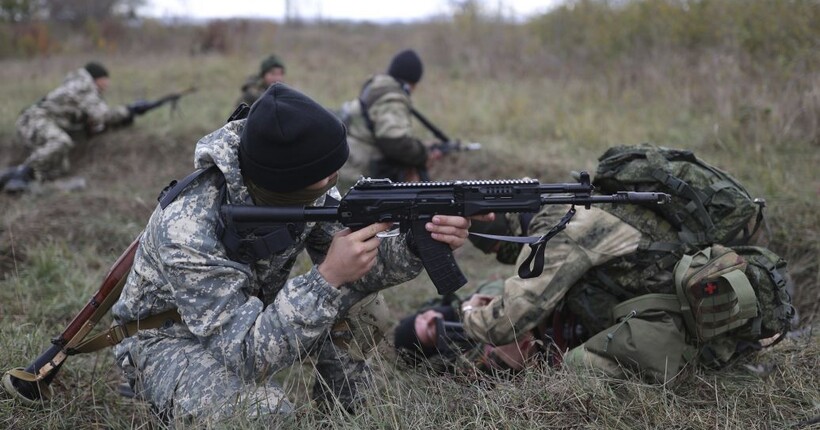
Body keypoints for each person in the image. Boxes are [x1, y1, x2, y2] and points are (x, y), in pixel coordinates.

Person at [110, 83, 480, 421]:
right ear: (285, 182)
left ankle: (342, 414)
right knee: (262, 413)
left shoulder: (303, 185)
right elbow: (244, 351)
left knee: (366, 308)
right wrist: (326, 279)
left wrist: (418, 242)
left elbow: (363, 265)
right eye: (326, 176)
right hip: (168, 338)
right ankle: (168, 397)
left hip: (245, 319)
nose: (334, 180)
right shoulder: (188, 228)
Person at [1, 62, 141, 193]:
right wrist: (129, 110)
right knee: (61, 142)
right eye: (105, 79)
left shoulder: (77, 84)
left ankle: (13, 178)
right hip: (35, 119)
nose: (108, 83)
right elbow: (102, 115)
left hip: (36, 120)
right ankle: (21, 174)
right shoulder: (84, 87)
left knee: (60, 167)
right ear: (98, 78)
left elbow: (91, 119)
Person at [339, 49, 442, 184]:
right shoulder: (391, 97)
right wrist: (423, 154)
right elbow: (395, 142)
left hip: (350, 165)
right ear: (412, 82)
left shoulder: (377, 88)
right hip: (358, 174)